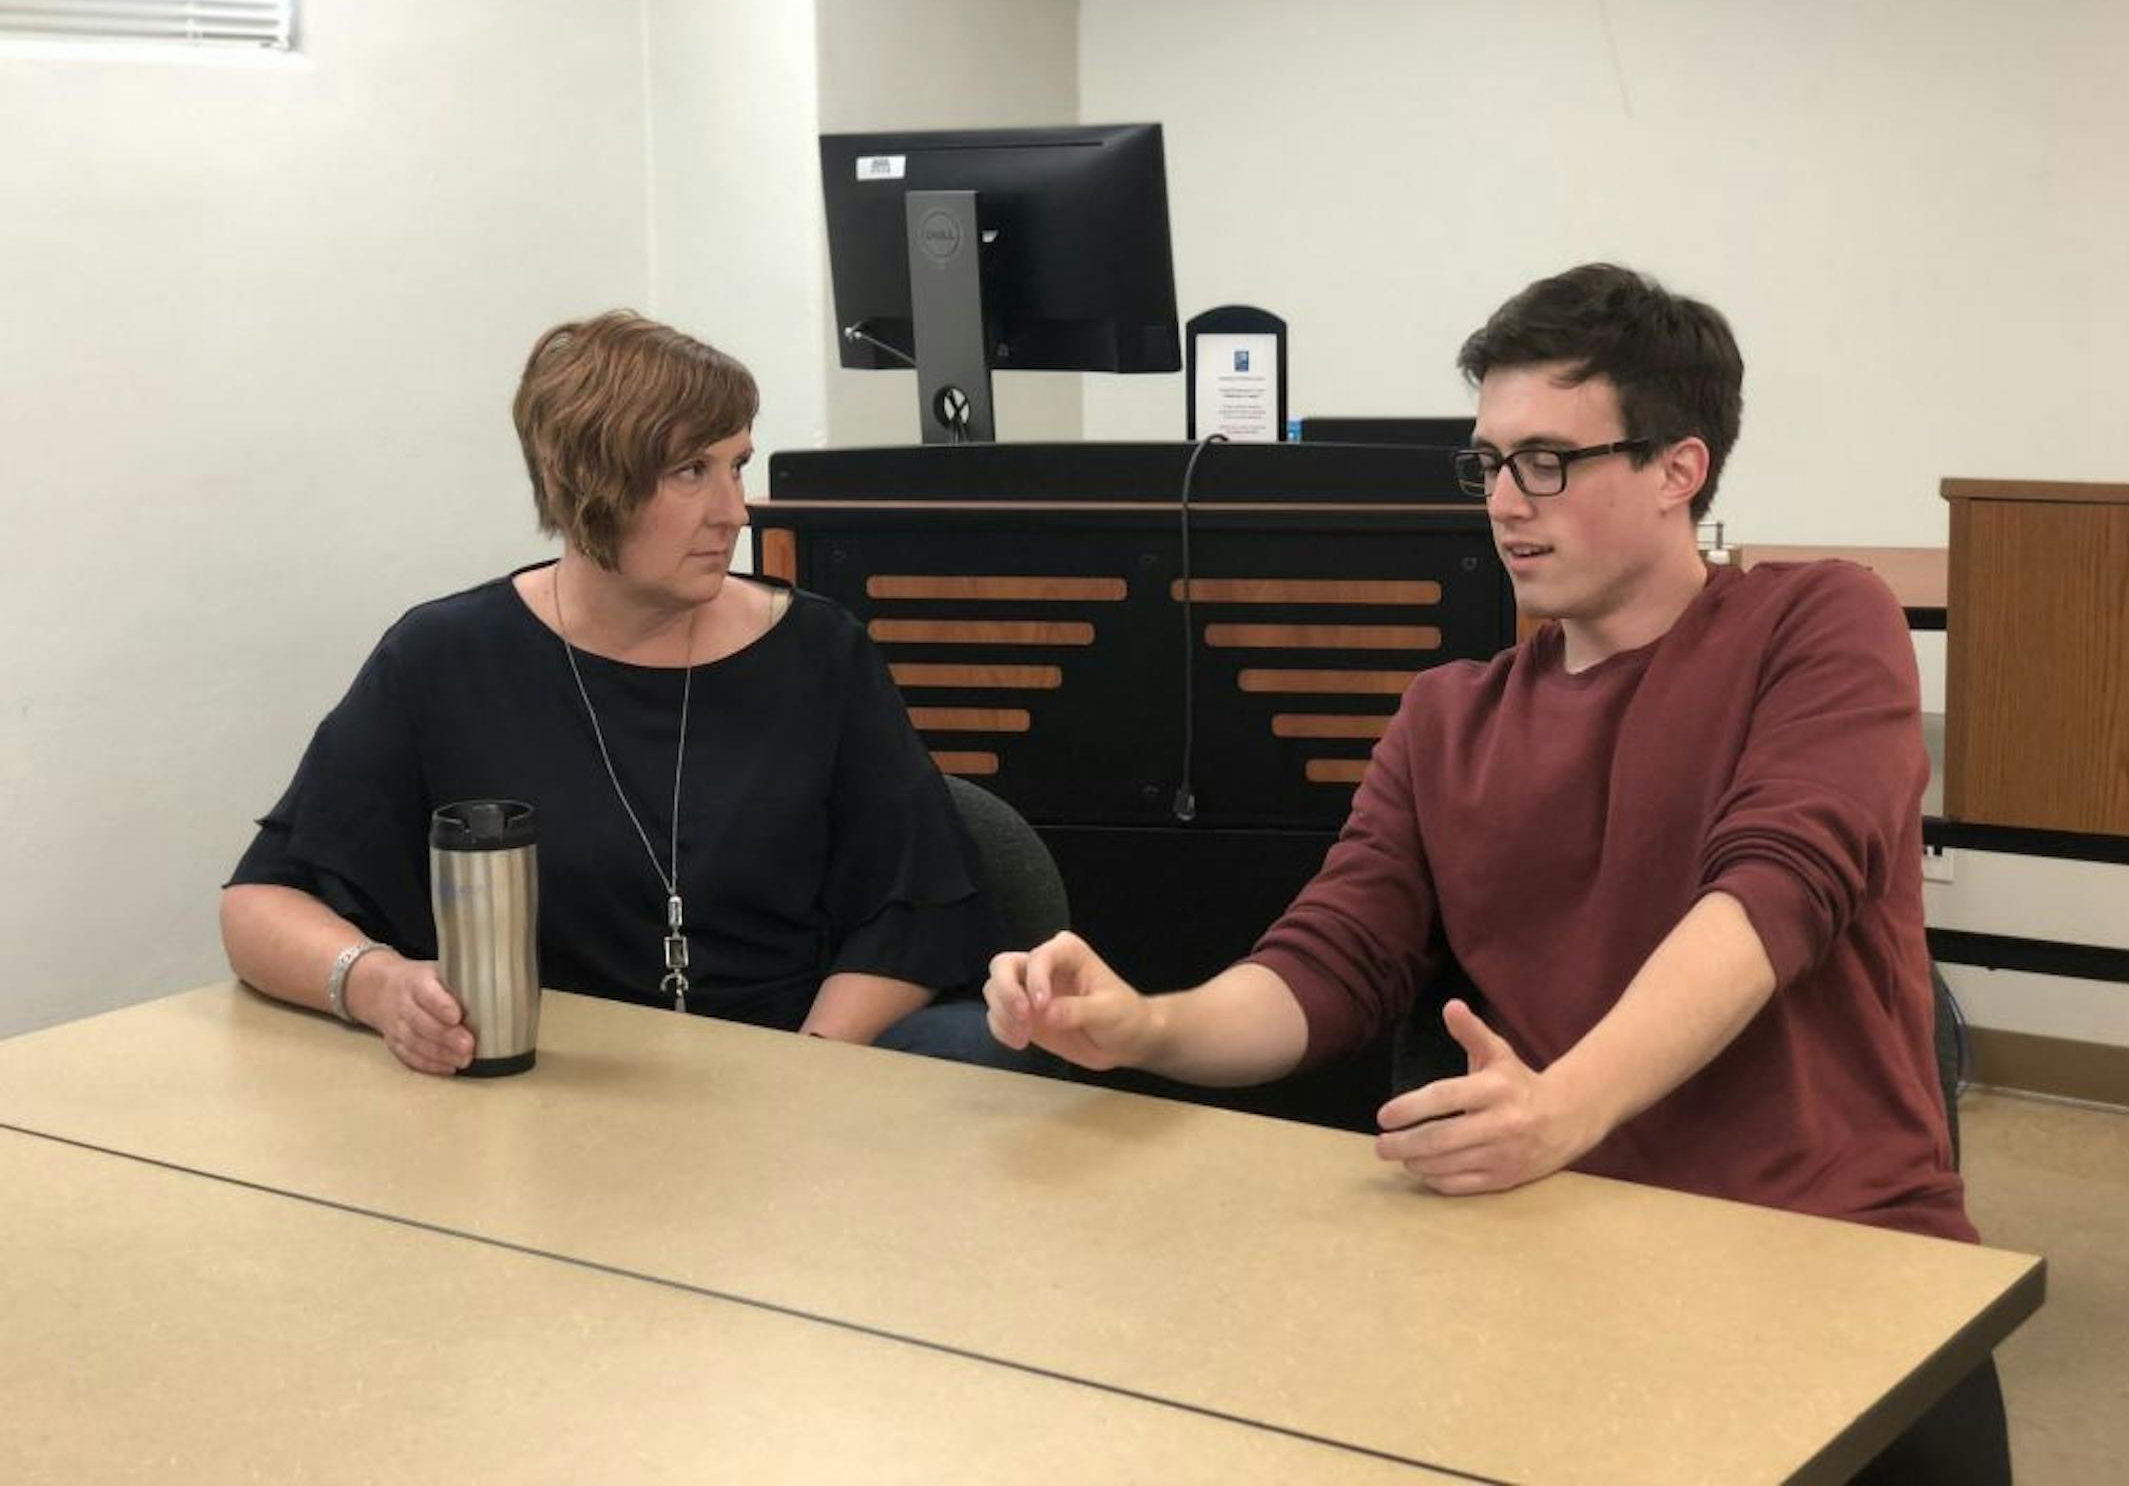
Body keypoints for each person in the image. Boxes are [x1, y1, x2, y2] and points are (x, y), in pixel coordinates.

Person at [985, 264, 2010, 1483]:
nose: (1508, 504)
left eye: (1549, 462)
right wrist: (1145, 1024)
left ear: (1678, 470)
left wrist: (1566, 1105)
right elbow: (1329, 966)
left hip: (1839, 1253)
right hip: (1563, 1251)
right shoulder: (1448, 718)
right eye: (1489, 463)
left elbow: (1773, 892)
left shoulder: (1820, 625)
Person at [224, 310, 1027, 1076]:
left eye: (737, 464)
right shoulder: (445, 659)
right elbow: (261, 905)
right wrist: (378, 986)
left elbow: (915, 912)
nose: (734, 512)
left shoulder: (818, 653)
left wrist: (806, 1074)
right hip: (547, 1093)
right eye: (690, 472)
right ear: (589, 483)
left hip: (791, 1080)